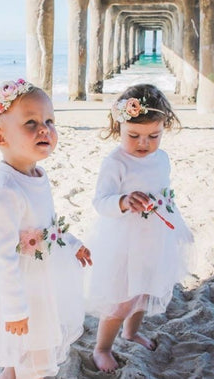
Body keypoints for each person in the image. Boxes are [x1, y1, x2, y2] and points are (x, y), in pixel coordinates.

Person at [0, 79, 92, 379]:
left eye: (50, 120)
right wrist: (14, 309)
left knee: (23, 357)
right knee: (36, 361)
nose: (45, 129)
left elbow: (47, 225)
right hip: (20, 288)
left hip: (41, 279)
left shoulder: (37, 173)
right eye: (31, 122)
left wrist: (73, 243)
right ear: (0, 137)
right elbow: (0, 255)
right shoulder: (4, 192)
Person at [85, 84, 194, 373]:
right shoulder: (116, 162)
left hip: (154, 237)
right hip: (125, 241)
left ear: (164, 128)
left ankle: (131, 333)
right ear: (118, 126)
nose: (143, 143)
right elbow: (101, 201)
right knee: (121, 299)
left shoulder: (162, 158)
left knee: (145, 290)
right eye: (134, 136)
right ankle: (102, 348)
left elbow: (164, 193)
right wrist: (123, 201)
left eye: (153, 136)